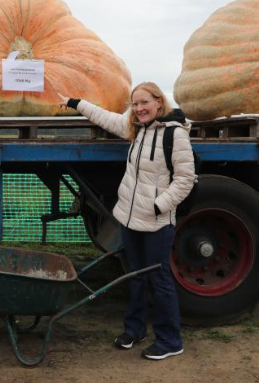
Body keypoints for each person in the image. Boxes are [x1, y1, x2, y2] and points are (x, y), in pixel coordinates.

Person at [57, 81, 194, 360]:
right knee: (135, 275)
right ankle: (135, 329)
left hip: (156, 221)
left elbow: (185, 179)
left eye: (145, 102)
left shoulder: (174, 135)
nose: (139, 108)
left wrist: (159, 206)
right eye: (135, 104)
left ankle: (170, 341)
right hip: (129, 219)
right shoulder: (136, 128)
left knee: (159, 279)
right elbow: (105, 117)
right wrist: (75, 102)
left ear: (159, 102)